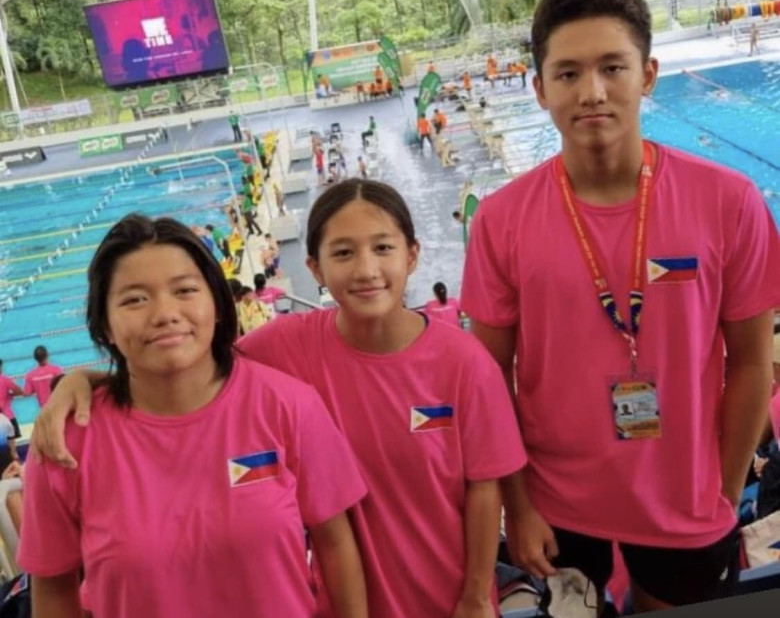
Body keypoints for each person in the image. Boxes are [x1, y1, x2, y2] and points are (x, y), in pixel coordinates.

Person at [33, 181, 527, 618]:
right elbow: (185, 366)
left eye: (382, 248)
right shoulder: (283, 349)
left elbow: (485, 483)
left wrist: (477, 595)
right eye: (135, 299)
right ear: (314, 267)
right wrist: (86, 382)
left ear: (412, 255)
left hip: (449, 598)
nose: (366, 269)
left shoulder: (458, 363)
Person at [461, 0, 779, 612]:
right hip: (556, 504)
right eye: (568, 73)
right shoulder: (501, 220)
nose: (592, 92)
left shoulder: (729, 201)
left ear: (648, 75)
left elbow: (751, 361)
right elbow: (488, 382)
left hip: (688, 501)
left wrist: (721, 490)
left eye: (612, 67)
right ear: (539, 89)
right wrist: (518, 506)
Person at [19, 214, 369, 618]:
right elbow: (53, 588)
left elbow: (336, 545)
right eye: (134, 299)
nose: (165, 313)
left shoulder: (287, 406)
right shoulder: (65, 443)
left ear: (217, 305)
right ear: (105, 326)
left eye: (184, 290)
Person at [0, 360, 24, 439]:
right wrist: (10, 394)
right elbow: (19, 391)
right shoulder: (5, 379)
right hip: (7, 416)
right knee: (12, 443)